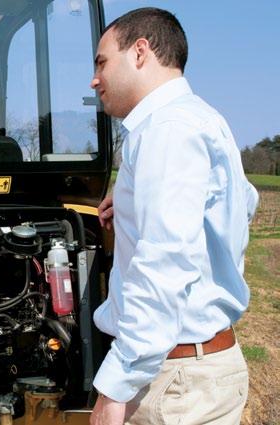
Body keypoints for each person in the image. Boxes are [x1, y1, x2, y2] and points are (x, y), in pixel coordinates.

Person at [88, 8, 258, 425]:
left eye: (102, 62)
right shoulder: (200, 118)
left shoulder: (167, 131)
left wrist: (115, 388)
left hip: (172, 382)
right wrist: (131, 199)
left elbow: (164, 263)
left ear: (140, 51)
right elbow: (242, 205)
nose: (95, 79)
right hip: (203, 369)